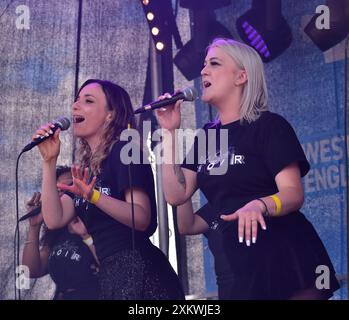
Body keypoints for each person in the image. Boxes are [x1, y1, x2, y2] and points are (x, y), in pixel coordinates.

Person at [156, 38, 340, 300]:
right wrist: (169, 132)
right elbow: (176, 195)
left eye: (214, 63)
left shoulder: (270, 126)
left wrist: (259, 205)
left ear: (241, 76)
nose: (203, 71)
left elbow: (292, 193)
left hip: (286, 255)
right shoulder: (207, 137)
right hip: (242, 264)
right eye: (204, 64)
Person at [33, 79, 184, 300]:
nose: (75, 105)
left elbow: (141, 217)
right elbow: (55, 219)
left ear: (110, 115)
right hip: (112, 274)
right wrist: (49, 161)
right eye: (76, 100)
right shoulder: (89, 170)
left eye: (88, 101)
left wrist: (94, 196)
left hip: (141, 273)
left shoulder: (125, 150)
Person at [22, 165, 99, 300]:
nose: (63, 194)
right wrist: (34, 226)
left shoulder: (95, 221)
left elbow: (110, 266)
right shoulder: (56, 232)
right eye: (58, 190)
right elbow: (32, 270)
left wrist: (85, 236)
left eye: (69, 187)